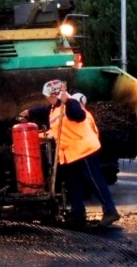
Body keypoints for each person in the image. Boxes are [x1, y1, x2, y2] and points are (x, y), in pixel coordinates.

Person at [19, 80, 120, 227]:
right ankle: (78, 214)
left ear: (54, 95)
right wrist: (29, 112)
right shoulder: (54, 109)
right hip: (71, 154)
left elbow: (79, 115)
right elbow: (44, 111)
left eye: (48, 96)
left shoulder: (71, 105)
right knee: (74, 184)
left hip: (84, 150)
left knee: (94, 180)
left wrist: (68, 101)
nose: (46, 99)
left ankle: (110, 211)